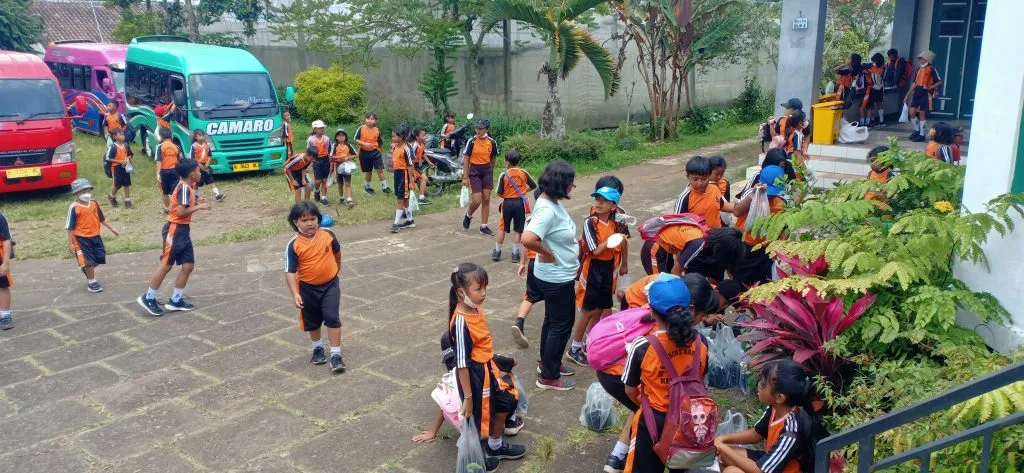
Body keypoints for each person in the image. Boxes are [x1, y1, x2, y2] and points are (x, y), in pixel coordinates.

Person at [621, 276, 708, 473]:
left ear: (651, 311)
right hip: (690, 419)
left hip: (653, 420)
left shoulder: (643, 346)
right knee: (682, 467)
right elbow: (700, 378)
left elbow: (629, 390)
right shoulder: (701, 343)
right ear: (689, 309)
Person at [449, 263, 527, 471]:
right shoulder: (461, 322)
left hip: (488, 369)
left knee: (502, 404)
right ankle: (478, 458)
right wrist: (468, 397)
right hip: (475, 377)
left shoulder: (476, 309)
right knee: (479, 416)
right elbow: (462, 364)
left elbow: (482, 345)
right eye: (478, 289)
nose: (483, 293)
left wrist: (500, 362)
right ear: (461, 292)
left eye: (485, 287)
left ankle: (495, 445)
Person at [522, 160, 580, 390]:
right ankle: (549, 376)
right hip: (556, 278)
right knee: (561, 325)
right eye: (571, 182)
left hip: (554, 275)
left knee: (552, 320)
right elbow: (528, 239)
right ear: (560, 184)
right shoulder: (547, 210)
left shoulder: (548, 201)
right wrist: (547, 253)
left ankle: (547, 362)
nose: (572, 186)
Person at [716, 359, 826, 473]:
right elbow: (755, 434)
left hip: (778, 470)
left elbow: (760, 471)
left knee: (731, 471)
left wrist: (723, 447)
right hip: (772, 465)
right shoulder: (775, 407)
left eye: (763, 384)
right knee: (723, 456)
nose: (758, 385)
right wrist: (722, 439)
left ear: (779, 397)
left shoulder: (791, 431)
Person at [137, 159, 210, 316]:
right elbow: (180, 212)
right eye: (198, 170)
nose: (200, 173)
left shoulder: (187, 187)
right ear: (192, 174)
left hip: (183, 230)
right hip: (175, 230)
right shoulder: (183, 188)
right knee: (166, 265)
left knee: (188, 265)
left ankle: (175, 300)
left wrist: (196, 202)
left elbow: (183, 206)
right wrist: (200, 206)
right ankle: (148, 298)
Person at [566, 186, 629, 366]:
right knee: (588, 310)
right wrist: (609, 241)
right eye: (597, 200)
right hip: (593, 269)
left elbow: (624, 240)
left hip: (609, 268)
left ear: (613, 206)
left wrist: (624, 263)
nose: (599, 204)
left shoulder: (618, 222)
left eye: (604, 201)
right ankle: (575, 348)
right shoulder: (590, 223)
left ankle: (590, 343)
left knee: (601, 309)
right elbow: (594, 251)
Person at [285, 201, 346, 373]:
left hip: (330, 285)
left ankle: (336, 355)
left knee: (332, 317)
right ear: (296, 222)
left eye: (313, 219)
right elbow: (290, 271)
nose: (310, 223)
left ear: (318, 219)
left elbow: (337, 252)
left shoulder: (328, 234)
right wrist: (295, 293)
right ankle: (317, 347)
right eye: (304, 220)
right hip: (307, 288)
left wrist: (336, 269)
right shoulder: (293, 245)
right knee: (312, 321)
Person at [731, 165, 788, 287]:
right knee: (741, 284)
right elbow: (736, 212)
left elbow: (784, 230)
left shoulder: (781, 204)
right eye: (768, 193)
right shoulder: (751, 195)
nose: (770, 196)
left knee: (762, 284)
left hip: (766, 251)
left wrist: (779, 252)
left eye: (773, 194)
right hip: (745, 246)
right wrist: (753, 195)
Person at [66, 178, 120, 293]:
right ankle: (92, 282)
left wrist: (112, 229)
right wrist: (70, 244)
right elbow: (70, 228)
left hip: (95, 236)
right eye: (83, 191)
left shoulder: (94, 203)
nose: (86, 193)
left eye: (88, 190)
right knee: (89, 261)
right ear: (76, 193)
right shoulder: (74, 207)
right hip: (81, 238)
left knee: (100, 257)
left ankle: (86, 268)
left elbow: (101, 218)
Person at [493, 149, 536, 262]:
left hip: (507, 203)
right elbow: (533, 185)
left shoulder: (504, 175)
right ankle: (515, 254)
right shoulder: (523, 172)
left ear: (506, 161)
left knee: (502, 228)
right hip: (519, 203)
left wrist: (507, 195)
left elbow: (499, 192)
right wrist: (523, 191)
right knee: (518, 229)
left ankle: (497, 252)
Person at [673, 156, 734, 228]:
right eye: (695, 179)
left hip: (718, 232)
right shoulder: (684, 198)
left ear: (710, 176)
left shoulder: (714, 188)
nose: (700, 183)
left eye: (704, 179)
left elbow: (721, 205)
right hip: (698, 234)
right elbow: (677, 225)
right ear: (688, 177)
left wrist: (740, 208)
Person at [462, 119, 499, 236]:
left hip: (487, 171)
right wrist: (465, 177)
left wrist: (490, 170)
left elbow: (493, 158)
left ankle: (484, 226)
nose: (478, 130)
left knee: (486, 199)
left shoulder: (492, 142)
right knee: (477, 200)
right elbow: (466, 159)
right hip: (474, 171)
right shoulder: (472, 141)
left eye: (481, 128)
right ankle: (468, 214)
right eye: (477, 128)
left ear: (486, 129)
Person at [905, 50, 943, 143]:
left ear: (927, 60)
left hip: (926, 93)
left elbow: (939, 81)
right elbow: (914, 83)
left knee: (922, 113)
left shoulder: (932, 69)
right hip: (917, 92)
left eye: (923, 59)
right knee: (912, 112)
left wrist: (930, 87)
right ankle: (917, 130)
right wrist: (907, 95)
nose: (921, 61)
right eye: (920, 59)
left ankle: (922, 135)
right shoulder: (918, 69)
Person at [388, 123, 416, 233]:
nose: (392, 138)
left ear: (401, 136)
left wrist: (411, 181)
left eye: (394, 136)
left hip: (404, 175)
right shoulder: (395, 146)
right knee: (404, 198)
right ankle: (410, 220)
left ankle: (396, 223)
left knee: (400, 199)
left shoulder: (406, 149)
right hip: (397, 174)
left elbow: (410, 165)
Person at [355, 112, 390, 195]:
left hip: (375, 152)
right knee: (368, 171)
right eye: (368, 118)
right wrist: (364, 144)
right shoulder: (361, 128)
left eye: (372, 119)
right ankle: (367, 188)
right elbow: (356, 139)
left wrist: (380, 152)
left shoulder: (377, 130)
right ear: (365, 119)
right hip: (364, 152)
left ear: (375, 121)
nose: (370, 120)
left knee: (379, 169)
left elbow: (380, 143)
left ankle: (385, 187)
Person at [189, 129, 224, 201]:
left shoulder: (206, 145)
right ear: (195, 137)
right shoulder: (194, 146)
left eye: (203, 135)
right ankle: (194, 196)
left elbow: (209, 155)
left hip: (206, 165)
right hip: (197, 166)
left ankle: (217, 194)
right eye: (200, 135)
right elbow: (193, 158)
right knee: (197, 182)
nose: (202, 137)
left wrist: (207, 163)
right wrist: (199, 165)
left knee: (210, 180)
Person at [105, 128, 134, 209]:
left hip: (126, 167)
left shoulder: (126, 145)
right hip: (116, 168)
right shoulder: (113, 147)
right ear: (114, 136)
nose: (123, 136)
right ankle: (112, 196)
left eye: (123, 134)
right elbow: (108, 158)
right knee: (117, 185)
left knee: (127, 183)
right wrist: (120, 161)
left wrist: (127, 158)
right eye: (120, 134)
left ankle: (127, 200)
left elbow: (130, 154)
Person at [155, 127, 182, 214]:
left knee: (164, 191)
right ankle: (178, 207)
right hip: (175, 171)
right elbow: (178, 160)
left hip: (164, 171)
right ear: (171, 136)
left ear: (161, 136)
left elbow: (159, 161)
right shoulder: (176, 147)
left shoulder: (160, 147)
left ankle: (168, 208)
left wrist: (158, 174)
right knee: (176, 191)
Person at [307, 120, 332, 205]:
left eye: (322, 128)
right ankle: (316, 191)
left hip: (325, 160)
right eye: (319, 128)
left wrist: (331, 161)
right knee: (318, 181)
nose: (321, 129)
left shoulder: (326, 139)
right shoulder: (311, 139)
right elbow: (309, 151)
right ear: (314, 129)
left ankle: (324, 197)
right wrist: (310, 162)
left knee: (324, 180)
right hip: (316, 160)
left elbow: (329, 150)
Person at [331, 129, 357, 207]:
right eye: (339, 135)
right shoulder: (334, 146)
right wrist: (340, 157)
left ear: (345, 137)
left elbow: (355, 154)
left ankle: (349, 199)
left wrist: (348, 157)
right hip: (338, 165)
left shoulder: (348, 145)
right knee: (340, 183)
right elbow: (331, 156)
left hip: (347, 165)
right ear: (336, 137)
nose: (341, 137)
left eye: (342, 135)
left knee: (347, 183)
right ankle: (341, 198)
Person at [861, 53, 886, 127]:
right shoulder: (878, 67)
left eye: (874, 61)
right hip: (876, 88)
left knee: (876, 104)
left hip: (876, 88)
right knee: (874, 104)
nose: (873, 62)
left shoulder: (882, 68)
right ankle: (876, 120)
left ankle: (878, 120)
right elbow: (863, 66)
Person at [411, 127, 434, 206]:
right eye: (423, 135)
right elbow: (411, 159)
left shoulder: (422, 144)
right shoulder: (414, 146)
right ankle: (421, 198)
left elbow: (423, 153)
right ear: (417, 137)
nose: (425, 137)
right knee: (424, 178)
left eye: (425, 135)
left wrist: (429, 162)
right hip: (413, 166)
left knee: (421, 179)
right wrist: (412, 171)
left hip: (417, 166)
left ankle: (422, 196)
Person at [0, 212, 12, 330]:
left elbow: (6, 240)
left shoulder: (0, 217)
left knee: (3, 286)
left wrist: (5, 263)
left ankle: (5, 315)